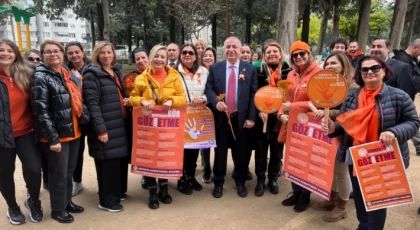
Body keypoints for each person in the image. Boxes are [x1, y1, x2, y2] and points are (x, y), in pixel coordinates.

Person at [323, 55, 420, 229]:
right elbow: (345, 123)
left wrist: (394, 131)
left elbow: (413, 122)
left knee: (376, 203)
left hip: (384, 159)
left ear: (384, 71)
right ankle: (363, 225)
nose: (370, 72)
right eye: (364, 69)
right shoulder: (352, 96)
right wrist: (332, 129)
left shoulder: (399, 96)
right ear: (359, 73)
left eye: (375, 68)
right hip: (358, 158)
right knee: (360, 199)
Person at [31, 40, 85, 223]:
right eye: (48, 52)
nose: (53, 54)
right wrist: (53, 138)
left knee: (69, 171)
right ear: (43, 55)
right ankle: (58, 209)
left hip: (73, 131)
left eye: (56, 51)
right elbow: (41, 111)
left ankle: (67, 201)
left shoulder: (66, 73)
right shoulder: (41, 77)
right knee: (58, 173)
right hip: (57, 136)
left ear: (62, 54)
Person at [129, 44, 186, 209]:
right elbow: (132, 98)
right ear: (151, 58)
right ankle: (152, 192)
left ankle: (164, 189)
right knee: (149, 157)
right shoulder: (141, 78)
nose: (159, 60)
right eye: (157, 56)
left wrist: (171, 101)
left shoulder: (174, 76)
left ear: (166, 59)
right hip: (148, 125)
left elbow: (182, 98)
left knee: (165, 157)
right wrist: (142, 101)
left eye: (163, 57)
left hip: (167, 126)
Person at [205, 36, 258, 198]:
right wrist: (215, 103)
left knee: (241, 151)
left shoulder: (249, 69)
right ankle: (219, 182)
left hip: (240, 119)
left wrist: (251, 117)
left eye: (235, 46)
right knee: (220, 152)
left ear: (241, 50)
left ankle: (240, 181)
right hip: (222, 118)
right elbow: (209, 89)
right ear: (224, 49)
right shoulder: (215, 68)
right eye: (228, 46)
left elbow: (253, 94)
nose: (231, 50)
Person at [82, 41, 129, 212]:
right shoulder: (91, 75)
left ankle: (116, 193)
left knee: (116, 162)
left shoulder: (115, 71)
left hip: (118, 123)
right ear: (96, 55)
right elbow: (92, 105)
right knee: (107, 164)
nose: (106, 56)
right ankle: (107, 201)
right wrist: (100, 129)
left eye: (109, 52)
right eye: (102, 53)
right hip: (105, 126)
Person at [312, 52, 359, 222]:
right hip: (329, 131)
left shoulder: (352, 86)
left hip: (344, 133)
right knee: (331, 168)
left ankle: (342, 207)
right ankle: (332, 199)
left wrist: (329, 112)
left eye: (334, 63)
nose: (329, 66)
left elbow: (351, 112)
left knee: (341, 171)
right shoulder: (328, 83)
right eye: (327, 64)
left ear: (344, 65)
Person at [0, 39, 43, 225]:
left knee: (34, 169)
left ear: (16, 54)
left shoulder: (26, 73)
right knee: (5, 173)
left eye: (9, 50)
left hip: (25, 132)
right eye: (1, 50)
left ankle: (33, 201)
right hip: (2, 135)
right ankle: (12, 206)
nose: (5, 53)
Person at [278, 41, 323, 212]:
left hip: (310, 125)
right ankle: (296, 192)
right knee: (294, 158)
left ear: (309, 53)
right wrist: (281, 112)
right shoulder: (290, 75)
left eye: (302, 53)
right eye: (294, 55)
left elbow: (319, 102)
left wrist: (293, 107)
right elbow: (284, 98)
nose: (298, 57)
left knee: (308, 160)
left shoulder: (319, 74)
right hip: (291, 124)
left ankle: (305, 195)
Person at [249, 40, 290, 197]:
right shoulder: (257, 70)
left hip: (280, 118)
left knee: (276, 149)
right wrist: (260, 110)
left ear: (280, 54)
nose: (272, 54)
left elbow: (290, 95)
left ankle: (273, 178)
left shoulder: (288, 71)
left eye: (275, 51)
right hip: (262, 117)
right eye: (268, 52)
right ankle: (260, 178)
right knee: (260, 149)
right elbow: (254, 93)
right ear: (264, 56)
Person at [176, 43, 209, 194]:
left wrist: (203, 98)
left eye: (191, 52)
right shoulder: (173, 72)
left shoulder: (204, 72)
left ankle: (191, 175)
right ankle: (181, 177)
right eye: (184, 53)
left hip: (197, 116)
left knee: (194, 148)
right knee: (182, 149)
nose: (187, 55)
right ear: (180, 55)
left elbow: (210, 90)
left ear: (196, 56)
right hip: (180, 116)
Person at [64, 41, 90, 197]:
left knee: (97, 149)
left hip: (91, 115)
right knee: (76, 152)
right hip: (74, 116)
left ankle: (102, 181)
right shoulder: (65, 71)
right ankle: (77, 181)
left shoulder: (92, 68)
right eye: (70, 53)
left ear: (83, 52)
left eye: (76, 52)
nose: (74, 55)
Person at [124, 47, 150, 190]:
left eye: (143, 58)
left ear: (149, 58)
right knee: (142, 148)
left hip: (157, 118)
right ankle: (146, 175)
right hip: (138, 119)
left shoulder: (159, 74)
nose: (140, 61)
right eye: (137, 59)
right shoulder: (130, 78)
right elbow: (127, 97)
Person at [369, 36, 415, 100]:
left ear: (388, 49)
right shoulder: (363, 67)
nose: (375, 49)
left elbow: (407, 97)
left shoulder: (402, 68)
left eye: (379, 46)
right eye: (373, 47)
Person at [201, 47, 217, 183]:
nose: (208, 58)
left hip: (217, 110)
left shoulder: (218, 70)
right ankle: (206, 167)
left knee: (218, 140)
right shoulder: (199, 71)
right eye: (205, 55)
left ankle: (217, 168)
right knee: (204, 141)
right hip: (202, 110)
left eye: (210, 55)